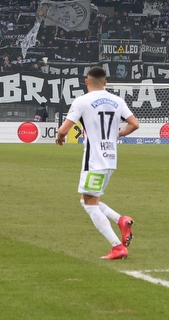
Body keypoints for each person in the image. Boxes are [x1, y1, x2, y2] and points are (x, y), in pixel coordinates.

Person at [55, 66, 140, 260]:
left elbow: (65, 128)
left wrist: (60, 137)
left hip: (94, 160)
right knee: (87, 200)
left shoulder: (82, 101)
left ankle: (117, 246)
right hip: (111, 159)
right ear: (105, 82)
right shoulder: (117, 100)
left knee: (90, 205)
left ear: (86, 81)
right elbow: (134, 124)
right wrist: (116, 134)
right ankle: (121, 220)